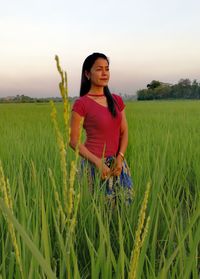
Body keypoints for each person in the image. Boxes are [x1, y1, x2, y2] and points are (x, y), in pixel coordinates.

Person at [70, 52, 133, 201]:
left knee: (124, 209)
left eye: (107, 68)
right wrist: (98, 163)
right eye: (99, 69)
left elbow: (124, 132)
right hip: (94, 166)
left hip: (118, 165)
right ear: (87, 74)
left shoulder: (117, 100)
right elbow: (73, 141)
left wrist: (120, 157)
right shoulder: (81, 104)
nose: (104, 73)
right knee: (97, 211)